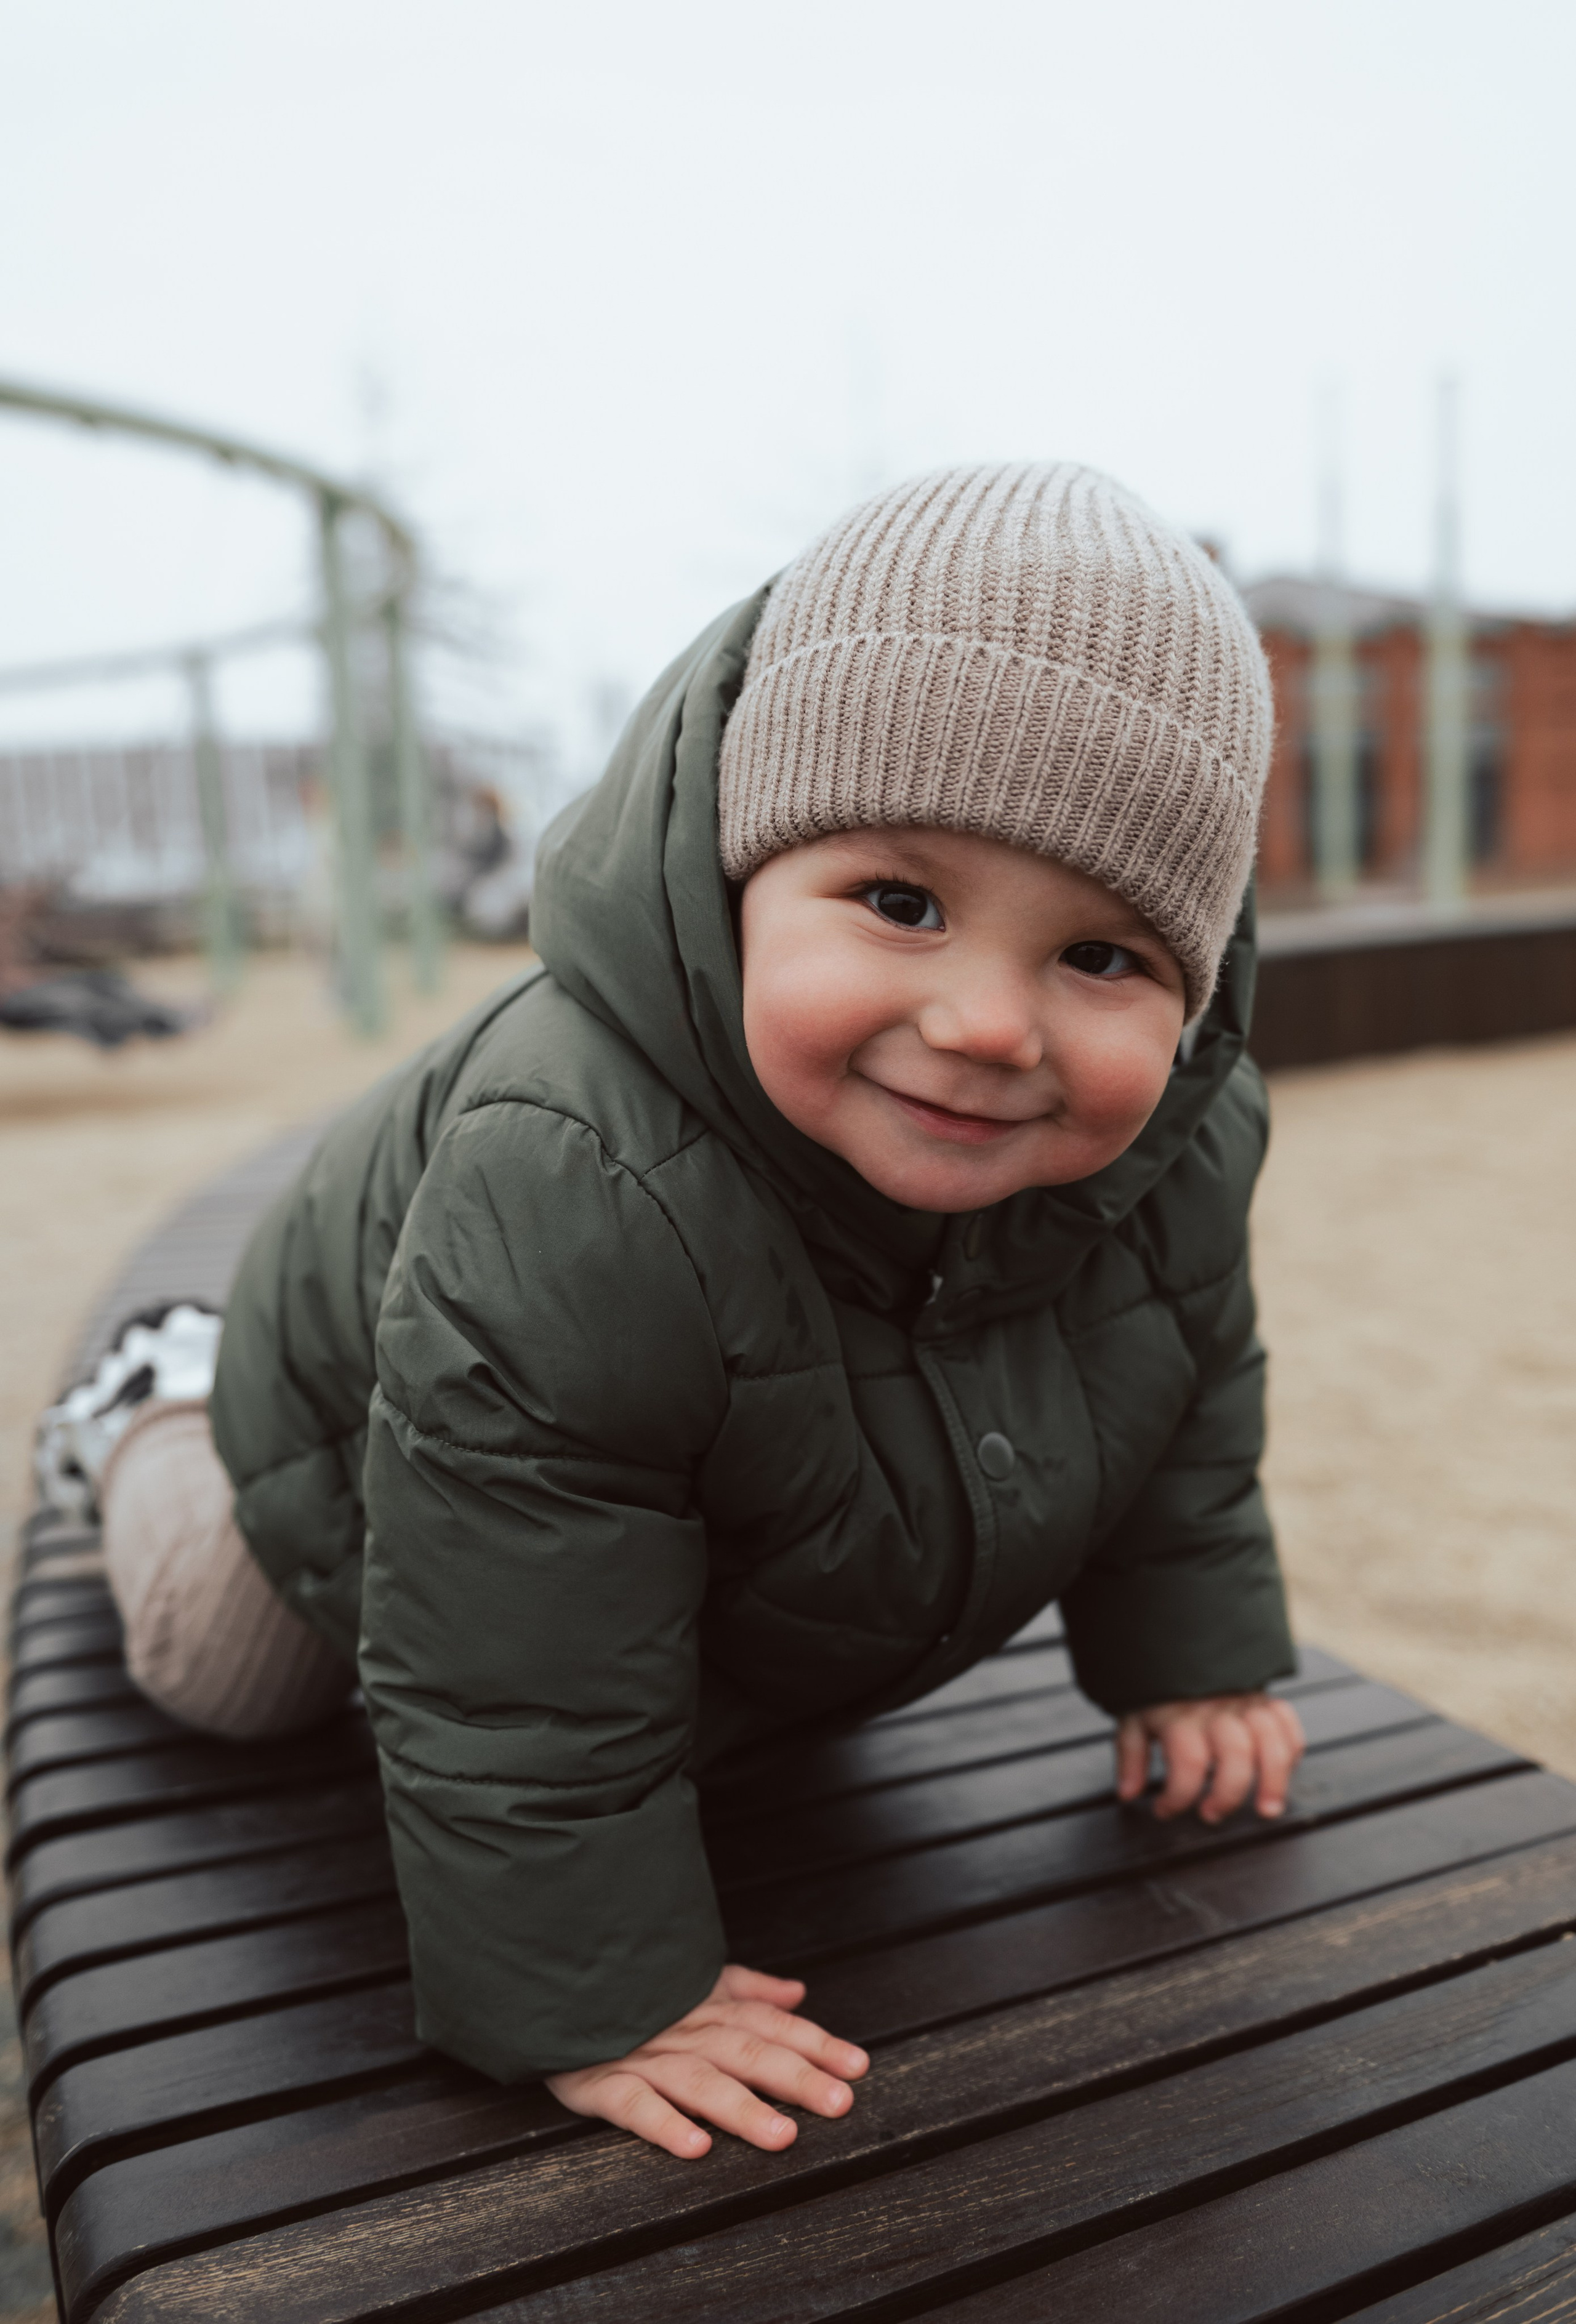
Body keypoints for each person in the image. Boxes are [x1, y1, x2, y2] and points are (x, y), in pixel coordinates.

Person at [59, 462, 1305, 2161]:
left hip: (682, 1506)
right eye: (901, 904)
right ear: (733, 873)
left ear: (1200, 980)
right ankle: (153, 1408)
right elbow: (520, 1619)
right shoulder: (578, 1174)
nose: (991, 1023)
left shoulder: (1178, 1145)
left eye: (1103, 957)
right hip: (368, 1450)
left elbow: (1176, 1384)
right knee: (226, 1670)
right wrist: (594, 1986)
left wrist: (1193, 1662)